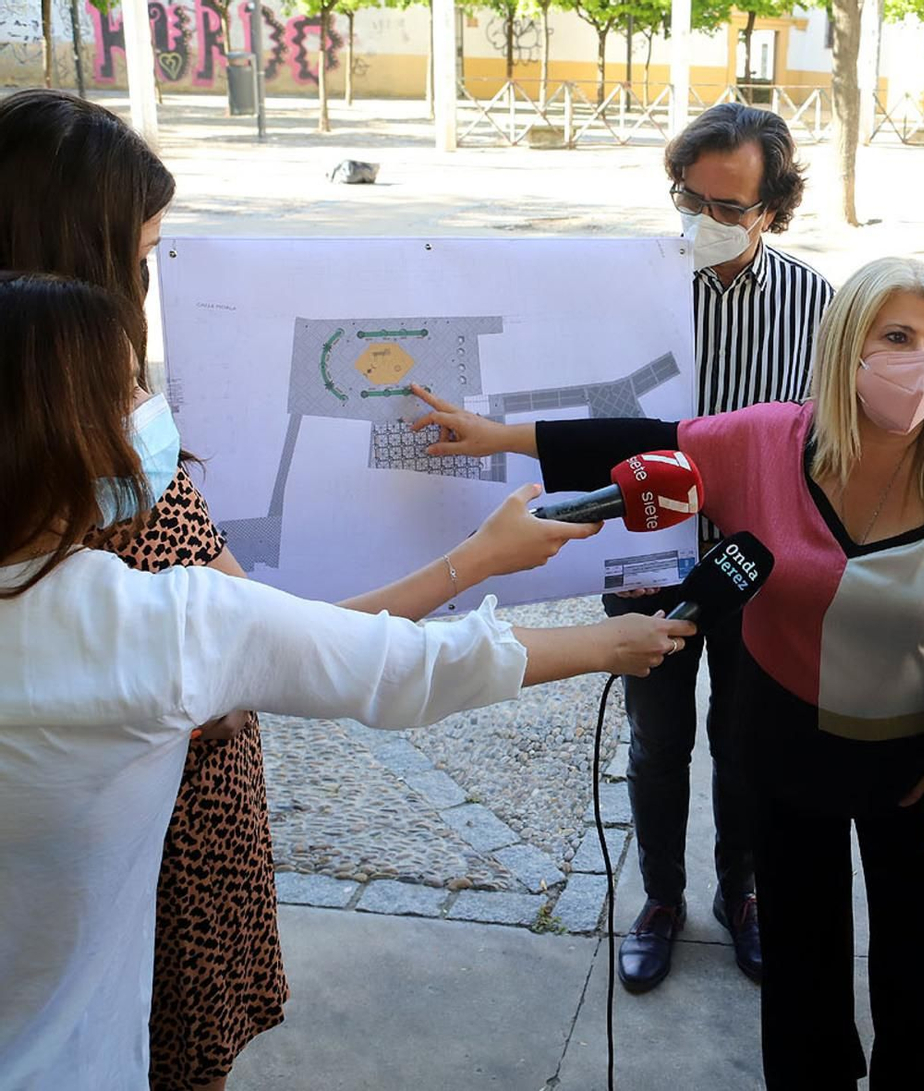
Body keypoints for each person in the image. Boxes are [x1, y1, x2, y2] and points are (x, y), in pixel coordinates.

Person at [0, 87, 618, 1091]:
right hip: (149, 857)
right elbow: (345, 654)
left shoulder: (80, 442)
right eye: (143, 256)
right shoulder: (110, 520)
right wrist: (481, 567)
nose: (145, 301)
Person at [409, 256, 924, 1089]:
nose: (919, 363)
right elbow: (641, 445)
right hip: (784, 742)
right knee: (803, 949)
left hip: (916, 761)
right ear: (847, 346)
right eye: (895, 337)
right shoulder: (766, 442)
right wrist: (499, 438)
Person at [603, 101, 834, 992]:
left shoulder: (820, 306)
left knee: (748, 745)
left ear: (771, 209)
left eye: (728, 207)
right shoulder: (636, 291)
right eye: (687, 198)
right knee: (656, 742)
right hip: (647, 558)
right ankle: (661, 896)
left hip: (757, 568)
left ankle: (744, 892)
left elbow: (828, 446)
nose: (702, 221)